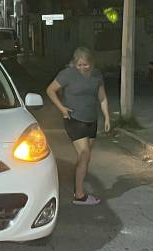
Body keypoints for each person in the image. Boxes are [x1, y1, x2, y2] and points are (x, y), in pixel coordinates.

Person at [46, 47, 111, 206]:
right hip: (74, 119)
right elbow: (50, 90)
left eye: (85, 65)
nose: (82, 68)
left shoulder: (97, 75)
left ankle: (76, 181)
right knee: (84, 153)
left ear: (92, 63)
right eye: (79, 65)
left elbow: (102, 97)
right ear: (75, 64)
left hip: (91, 120)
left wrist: (107, 117)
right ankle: (79, 195)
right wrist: (62, 108)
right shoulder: (67, 74)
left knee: (85, 158)